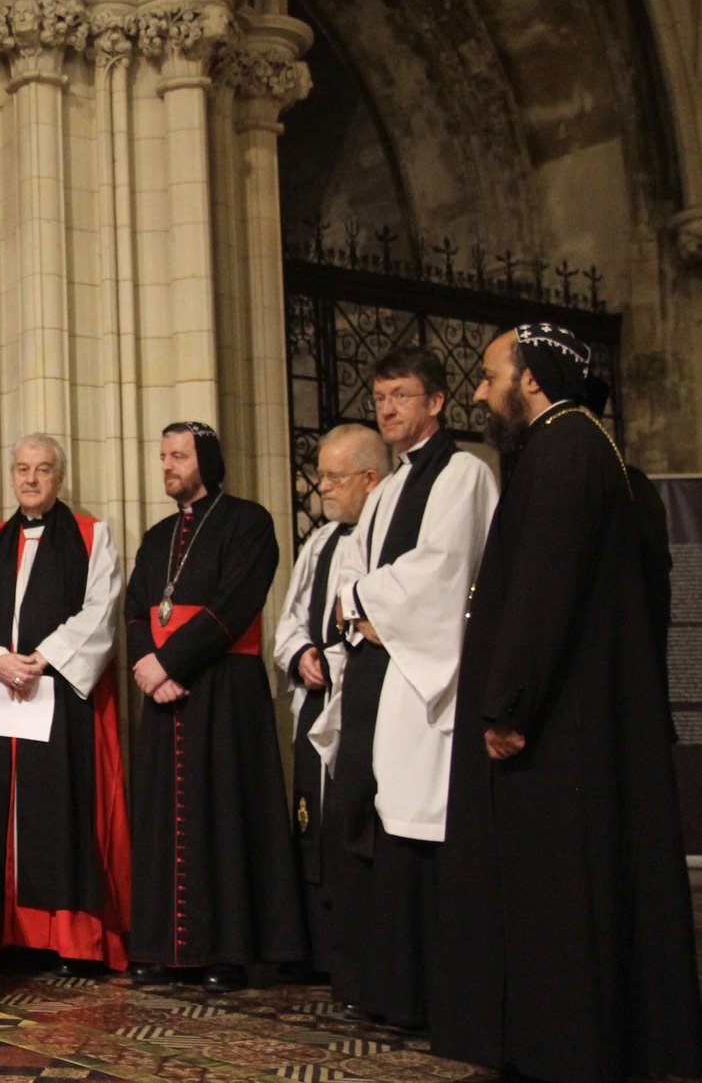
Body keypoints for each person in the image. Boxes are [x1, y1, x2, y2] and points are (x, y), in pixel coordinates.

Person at [432, 324, 701, 1083]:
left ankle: (560, 1046)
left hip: (555, 730)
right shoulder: (584, 446)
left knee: (556, 892)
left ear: (533, 378)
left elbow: (541, 591)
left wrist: (509, 705)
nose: (481, 394)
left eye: (489, 377)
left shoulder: (562, 448)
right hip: (575, 715)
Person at [316, 350, 496, 1029]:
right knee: (369, 824)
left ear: (437, 402)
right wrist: (361, 603)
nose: (387, 408)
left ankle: (436, 991)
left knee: (424, 830)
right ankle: (379, 985)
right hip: (375, 675)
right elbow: (350, 570)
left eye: (401, 396)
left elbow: (443, 569)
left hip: (426, 684)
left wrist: (365, 602)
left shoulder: (465, 475)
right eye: (381, 397)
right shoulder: (388, 488)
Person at [123, 421, 301, 992]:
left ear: (208, 458)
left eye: (178, 454)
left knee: (223, 812)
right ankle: (159, 946)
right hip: (164, 694)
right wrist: (150, 669)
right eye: (163, 456)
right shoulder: (155, 537)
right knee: (162, 818)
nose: (168, 465)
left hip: (223, 691)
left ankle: (227, 949)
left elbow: (235, 605)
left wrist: (169, 663)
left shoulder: (249, 523)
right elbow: (134, 611)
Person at [0, 435, 130, 974]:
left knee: (58, 811)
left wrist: (43, 658)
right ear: (11, 476)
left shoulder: (92, 537)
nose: (31, 479)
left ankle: (67, 938)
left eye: (43, 470)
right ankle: (3, 932)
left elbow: (102, 609)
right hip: (0, 696)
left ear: (59, 477)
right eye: (23, 469)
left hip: (57, 697)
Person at [268, 423, 388, 977]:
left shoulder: (383, 539)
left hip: (364, 703)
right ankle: (319, 948)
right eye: (321, 476)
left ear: (371, 478)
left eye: (335, 477)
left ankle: (361, 954)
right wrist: (300, 656)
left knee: (354, 822)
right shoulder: (318, 543)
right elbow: (289, 623)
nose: (323, 488)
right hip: (316, 700)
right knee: (310, 819)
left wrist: (335, 660)